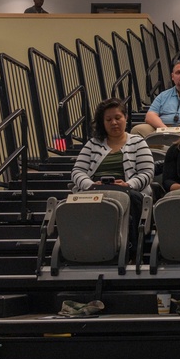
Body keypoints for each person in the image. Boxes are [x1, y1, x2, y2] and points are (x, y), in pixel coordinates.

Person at [71, 98, 155, 258]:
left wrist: (128, 184)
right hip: (94, 191)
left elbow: (147, 173)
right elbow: (77, 172)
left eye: (118, 118)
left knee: (134, 201)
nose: (114, 123)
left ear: (126, 118)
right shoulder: (92, 144)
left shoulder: (138, 142)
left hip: (128, 192)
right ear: (102, 122)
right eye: (108, 120)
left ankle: (130, 250)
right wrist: (90, 185)